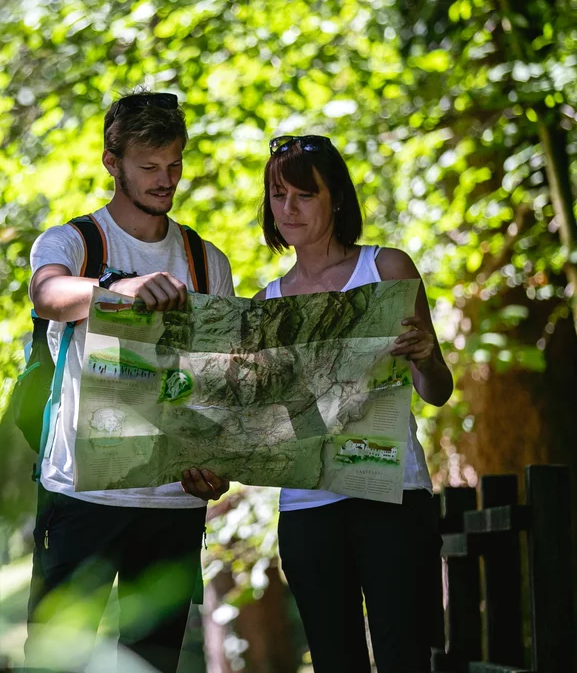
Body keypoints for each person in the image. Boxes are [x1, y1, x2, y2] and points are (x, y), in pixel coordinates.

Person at [24, 92, 234, 672]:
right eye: (149, 167)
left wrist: (216, 457)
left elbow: (216, 376)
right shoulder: (74, 242)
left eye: (175, 165)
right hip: (80, 493)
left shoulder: (205, 260)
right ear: (112, 163)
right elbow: (48, 294)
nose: (166, 180)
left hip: (171, 501)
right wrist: (120, 292)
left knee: (151, 664)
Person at [252, 134, 452, 673]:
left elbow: (437, 390)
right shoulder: (264, 305)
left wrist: (427, 358)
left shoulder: (386, 269)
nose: (288, 209)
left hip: (392, 495)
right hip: (307, 508)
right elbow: (260, 424)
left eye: (304, 195)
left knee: (403, 656)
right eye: (277, 195)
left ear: (335, 197)